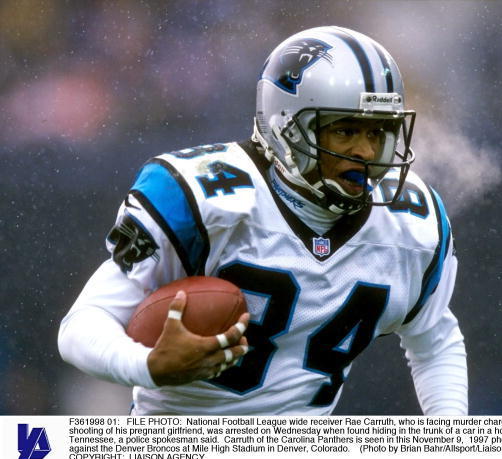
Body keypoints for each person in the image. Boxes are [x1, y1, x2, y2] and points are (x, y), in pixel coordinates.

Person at [58, 26, 468, 415]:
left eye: (378, 133)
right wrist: (149, 365)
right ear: (286, 125)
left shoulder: (410, 222)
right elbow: (81, 326)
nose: (365, 150)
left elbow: (435, 340)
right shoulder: (204, 199)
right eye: (345, 131)